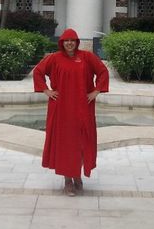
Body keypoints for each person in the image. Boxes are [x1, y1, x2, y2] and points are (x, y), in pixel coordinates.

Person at [33, 28, 109, 196]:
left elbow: (103, 72)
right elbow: (38, 72)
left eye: (72, 41)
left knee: (82, 141)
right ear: (61, 43)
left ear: (77, 42)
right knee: (65, 143)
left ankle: (77, 176)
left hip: (83, 107)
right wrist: (47, 91)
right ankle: (68, 180)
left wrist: (96, 91)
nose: (69, 43)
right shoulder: (54, 58)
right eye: (66, 41)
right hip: (61, 108)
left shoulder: (87, 57)